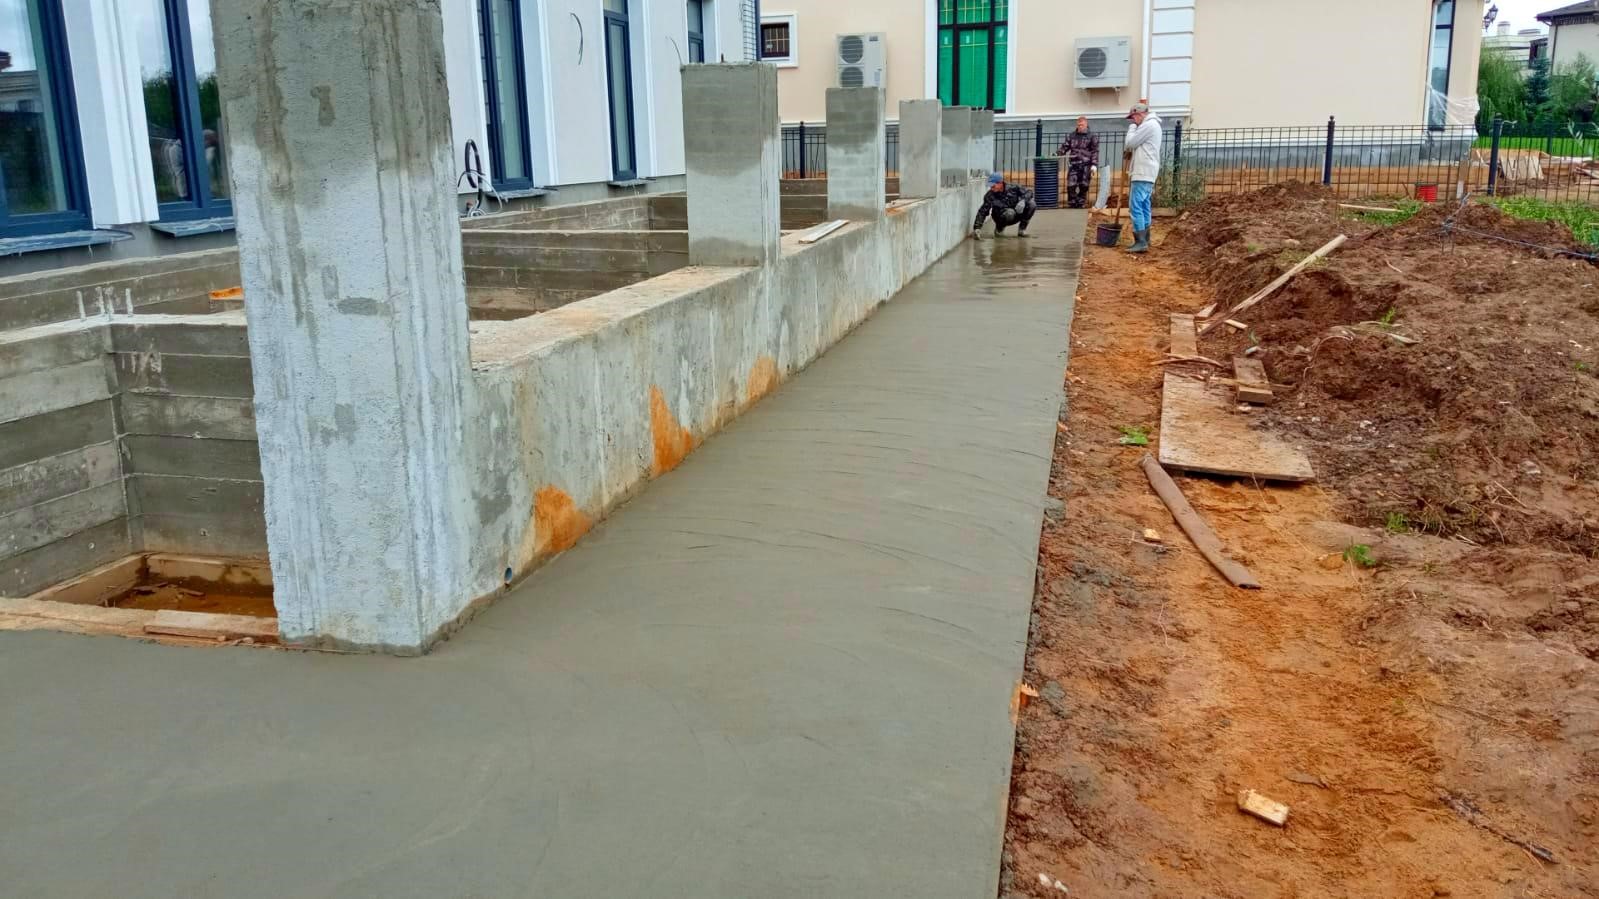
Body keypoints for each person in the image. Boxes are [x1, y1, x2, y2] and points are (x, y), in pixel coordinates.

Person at [1121, 102, 1162, 254]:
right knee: (1144, 205)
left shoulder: (1148, 125)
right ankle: (1145, 238)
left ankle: (1140, 242)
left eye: (1133, 118)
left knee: (1136, 206)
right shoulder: (1153, 125)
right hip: (1148, 171)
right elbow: (1138, 146)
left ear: (1139, 114)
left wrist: (1132, 128)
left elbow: (1130, 142)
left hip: (1143, 171)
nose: (1133, 121)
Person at [972, 173, 1036, 239]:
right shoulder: (990, 195)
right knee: (1010, 213)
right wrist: (977, 228)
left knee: (1032, 204)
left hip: (1016, 214)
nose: (991, 188)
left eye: (993, 186)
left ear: (1000, 183)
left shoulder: (1013, 187)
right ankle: (999, 229)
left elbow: (1029, 192)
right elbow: (983, 211)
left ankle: (1022, 230)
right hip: (1001, 217)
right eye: (990, 186)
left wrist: (1023, 201)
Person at [1056, 117, 1099, 209]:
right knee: (1071, 185)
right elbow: (1065, 146)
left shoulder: (1092, 136)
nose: (1080, 127)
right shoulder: (1072, 136)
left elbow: (1095, 151)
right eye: (1079, 125)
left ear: (1086, 125)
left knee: (1084, 185)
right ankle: (1072, 202)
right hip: (1074, 163)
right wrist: (1058, 153)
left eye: (1082, 125)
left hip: (1086, 164)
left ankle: (1081, 202)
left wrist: (1094, 164)